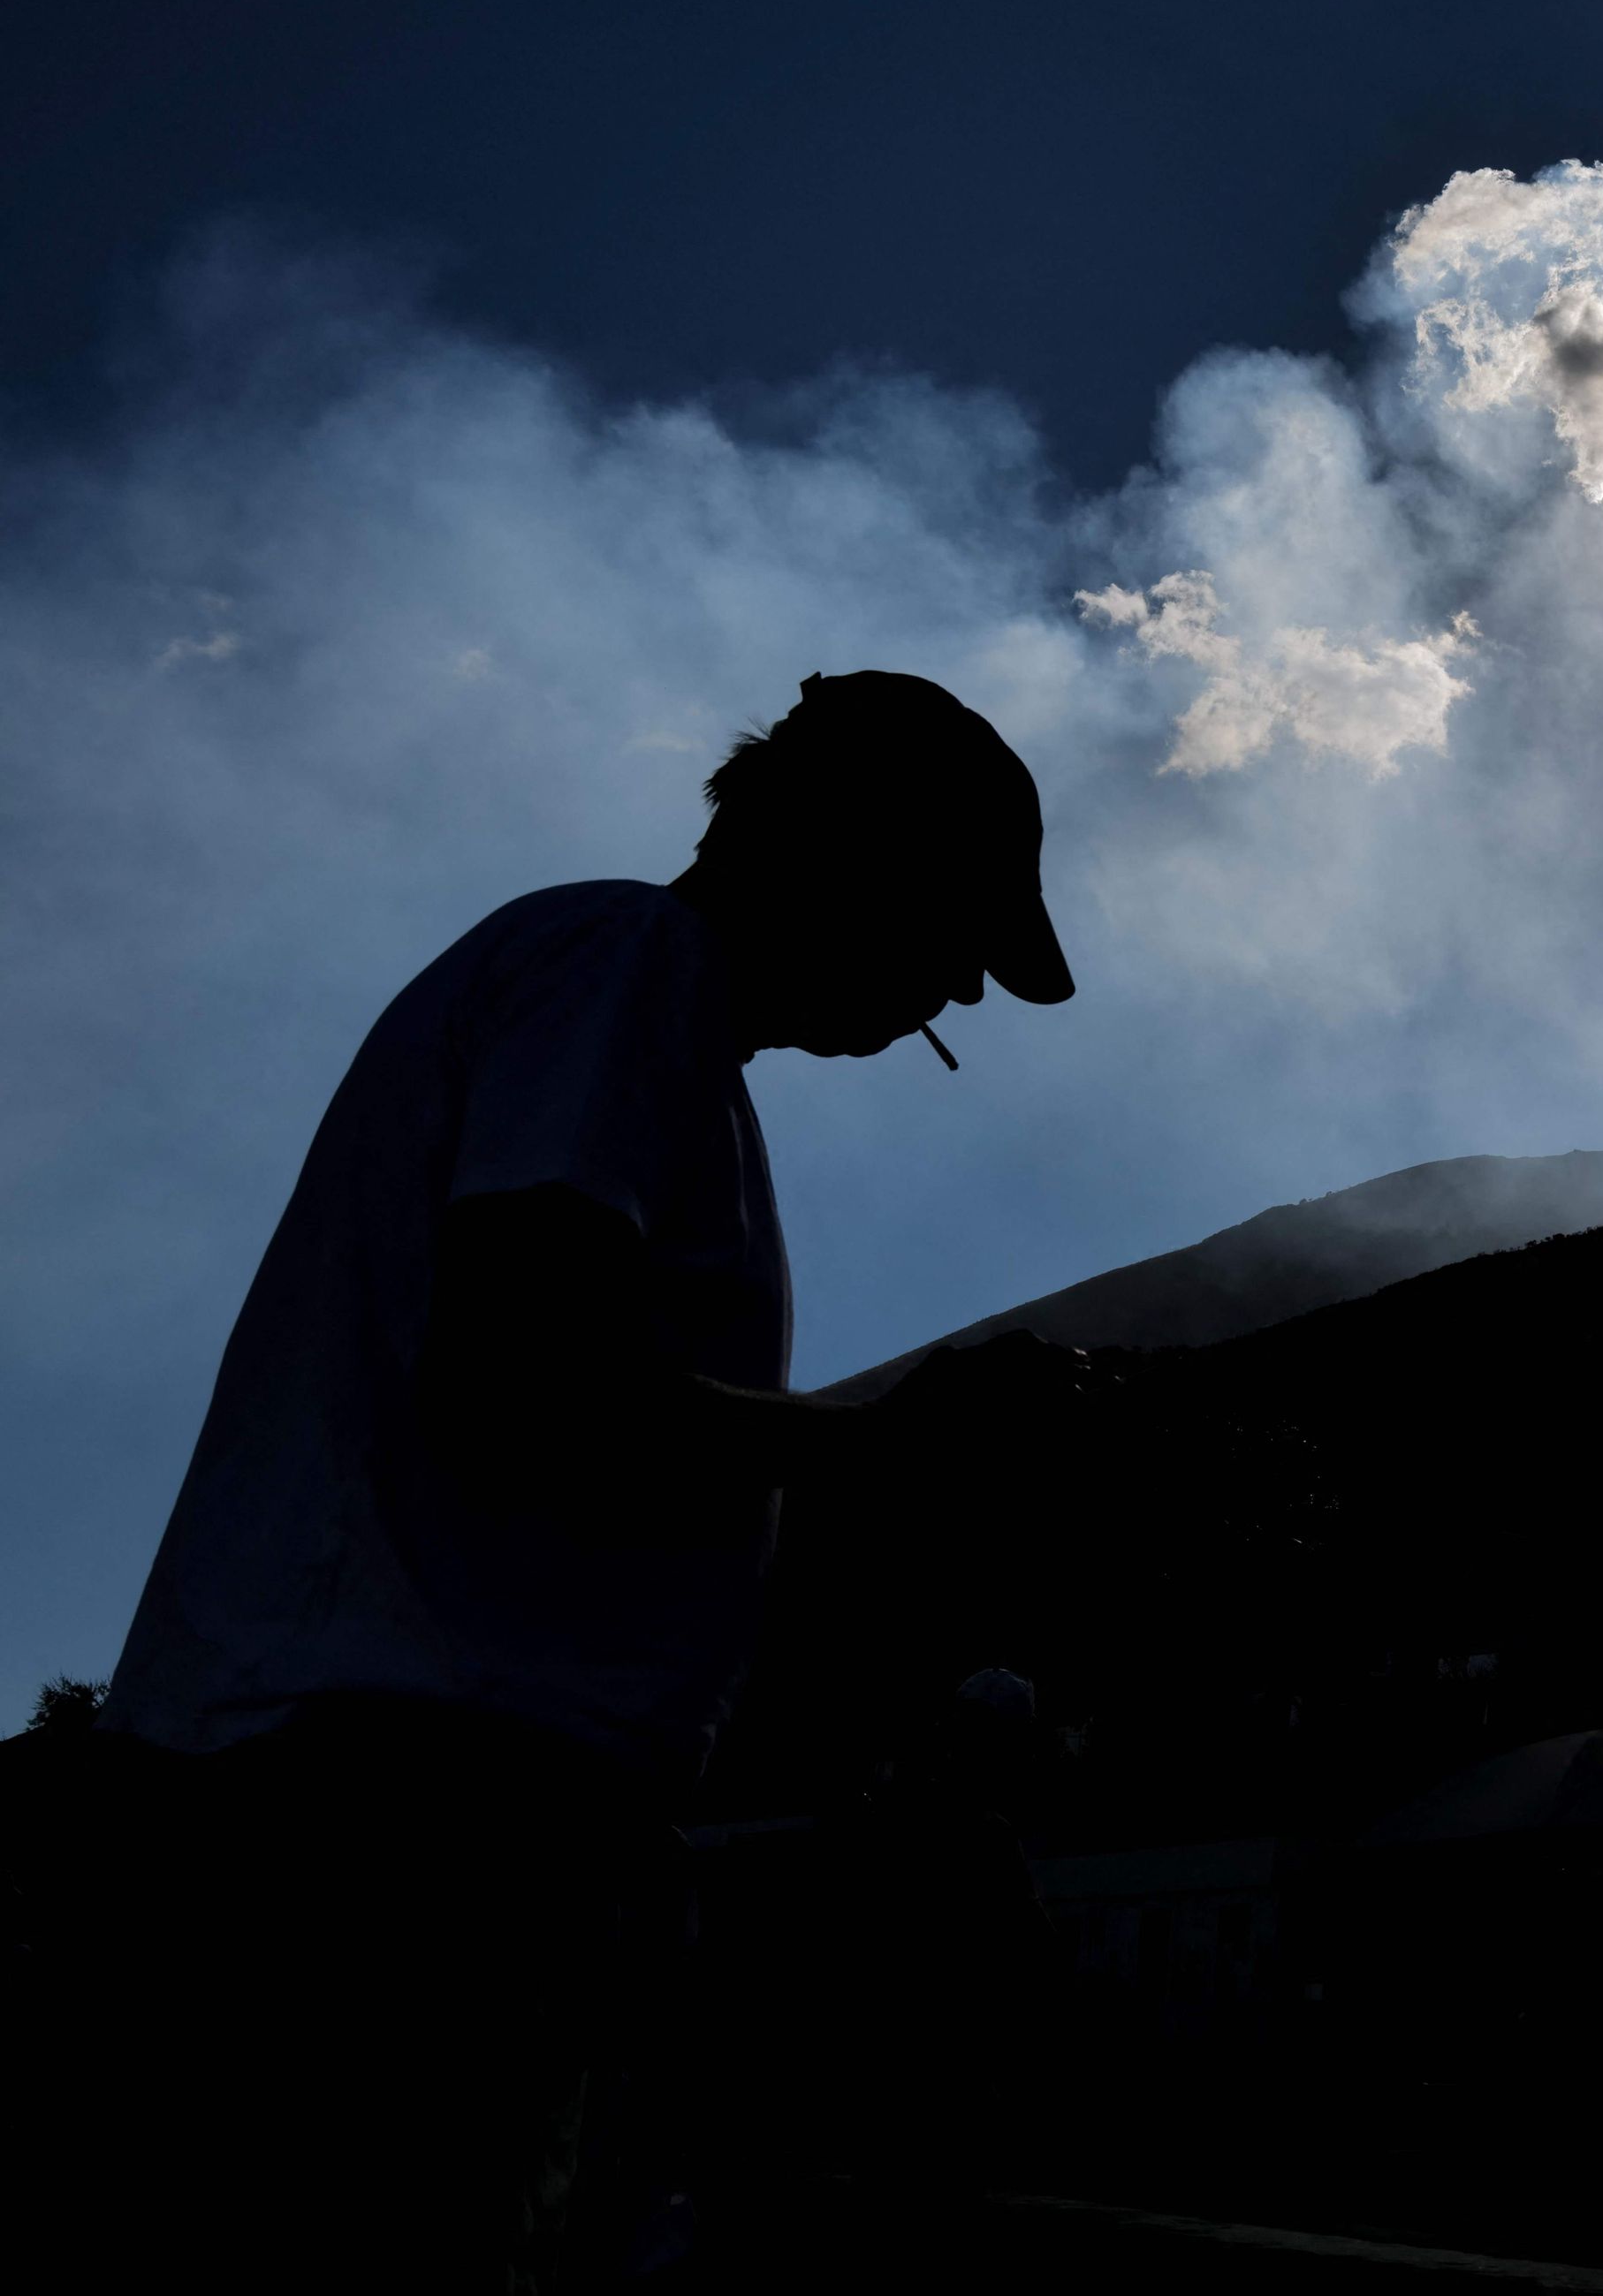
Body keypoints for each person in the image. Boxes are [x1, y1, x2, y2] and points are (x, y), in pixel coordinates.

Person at [64, 670, 1087, 2287]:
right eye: (956, 924)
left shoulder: (646, 1027)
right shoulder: (625, 961)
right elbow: (524, 1370)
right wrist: (882, 1444)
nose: (958, 983)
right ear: (846, 853)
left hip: (396, 1813)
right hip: (390, 1826)